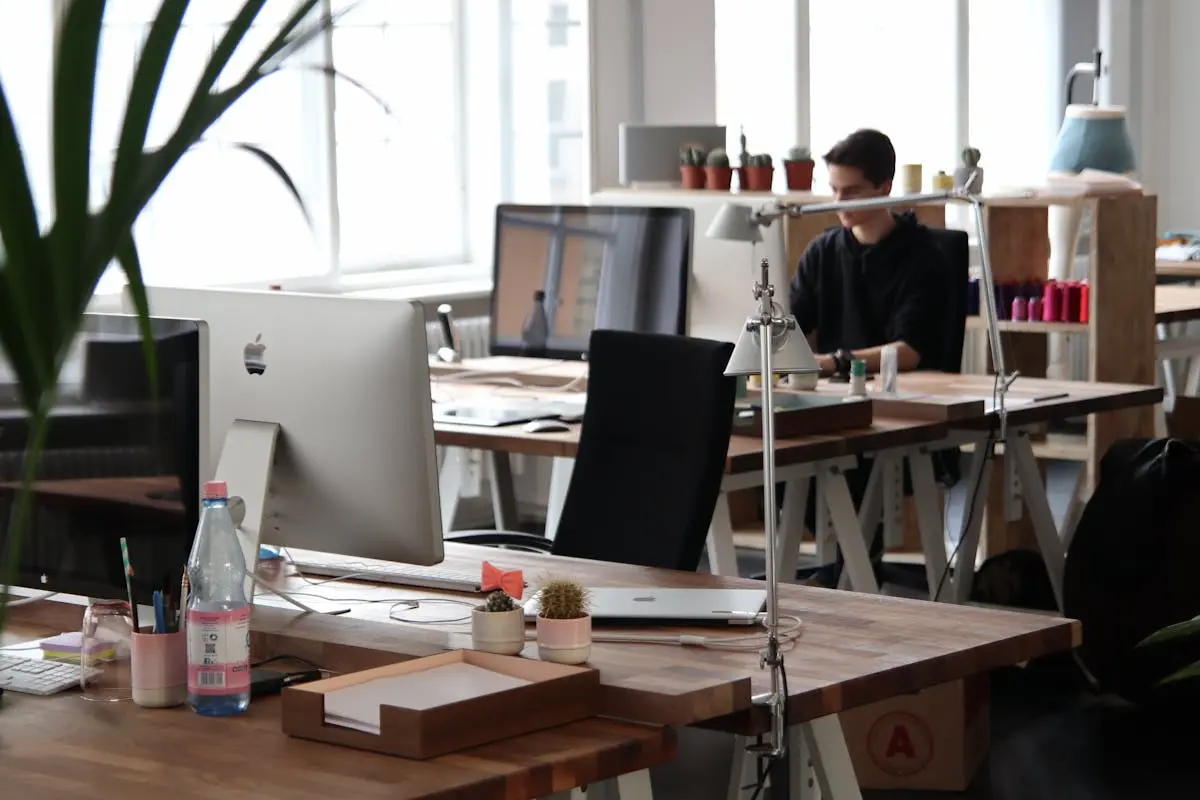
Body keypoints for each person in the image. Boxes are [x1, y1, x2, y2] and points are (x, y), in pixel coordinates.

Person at [789, 128, 952, 588]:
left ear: (885, 186)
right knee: (782, 462)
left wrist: (833, 362)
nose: (839, 202)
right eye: (834, 189)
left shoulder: (924, 257)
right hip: (832, 406)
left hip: (898, 412)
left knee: (847, 469)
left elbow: (910, 350)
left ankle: (847, 579)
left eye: (852, 191)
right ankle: (838, 577)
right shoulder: (822, 251)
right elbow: (788, 332)